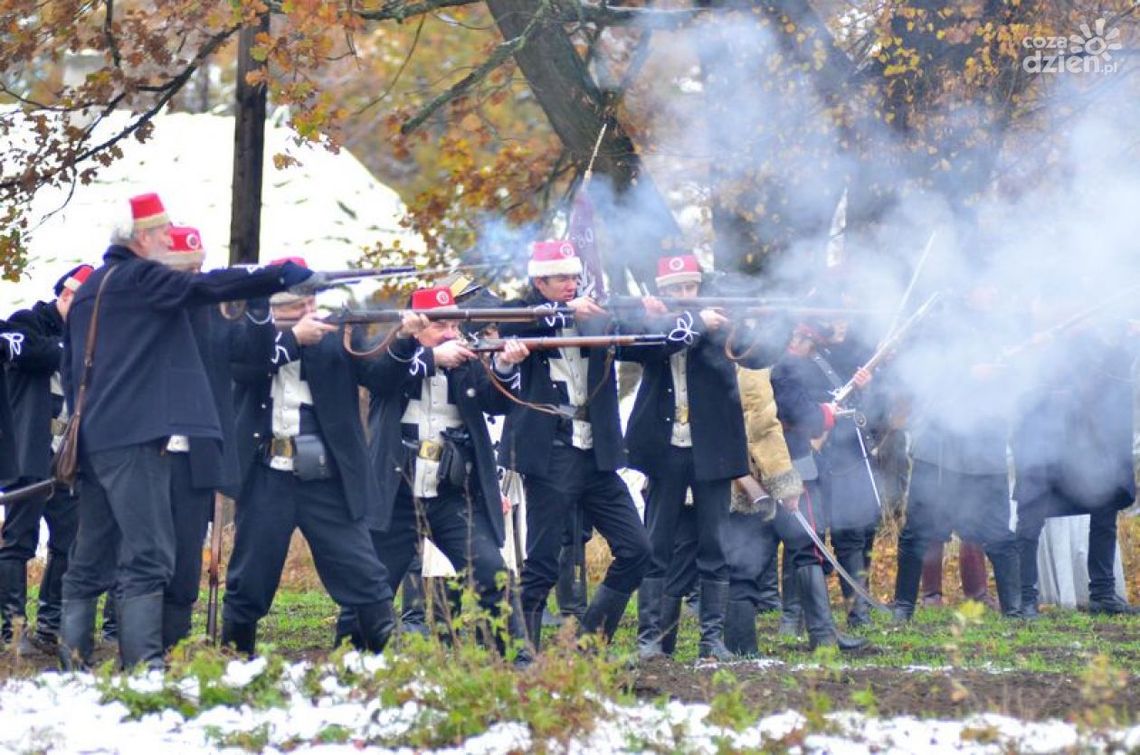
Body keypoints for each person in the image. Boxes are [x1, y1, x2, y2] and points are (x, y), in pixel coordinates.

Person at [58, 193, 317, 671]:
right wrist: (276, 276)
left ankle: (73, 665)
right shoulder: (142, 278)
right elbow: (207, 286)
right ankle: (145, 668)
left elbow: (73, 368)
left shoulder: (93, 287)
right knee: (150, 556)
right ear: (140, 238)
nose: (166, 239)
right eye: (161, 233)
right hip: (136, 439)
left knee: (90, 557)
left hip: (96, 438)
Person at [221, 258, 399, 656]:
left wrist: (404, 339)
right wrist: (292, 340)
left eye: (310, 303)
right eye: (295, 306)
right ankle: (235, 662)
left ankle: (386, 664)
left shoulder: (338, 333)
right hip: (267, 473)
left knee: (364, 573)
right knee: (249, 579)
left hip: (327, 477)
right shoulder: (250, 335)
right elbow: (246, 369)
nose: (308, 311)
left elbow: (382, 376)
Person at [340, 286, 530, 657]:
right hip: (395, 495)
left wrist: (506, 366)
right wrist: (429, 358)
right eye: (439, 325)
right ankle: (350, 662)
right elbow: (381, 377)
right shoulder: (392, 353)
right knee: (369, 587)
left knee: (492, 575)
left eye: (453, 325)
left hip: (451, 495)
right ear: (415, 326)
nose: (450, 332)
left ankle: (516, 660)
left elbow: (496, 402)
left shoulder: (467, 362)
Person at [624, 253, 779, 661]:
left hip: (712, 449)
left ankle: (711, 640)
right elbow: (644, 347)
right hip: (664, 449)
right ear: (662, 291)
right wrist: (695, 321)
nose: (685, 294)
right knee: (657, 545)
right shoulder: (653, 322)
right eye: (676, 288)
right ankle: (650, 639)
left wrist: (755, 323)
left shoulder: (719, 323)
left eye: (690, 287)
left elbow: (759, 356)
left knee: (714, 547)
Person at [498, 240, 651, 651]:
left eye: (573, 276)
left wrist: (651, 309)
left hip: (596, 453)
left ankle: (589, 644)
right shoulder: (522, 313)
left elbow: (637, 333)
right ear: (540, 282)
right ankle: (521, 655)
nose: (571, 283)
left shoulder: (594, 312)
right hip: (552, 453)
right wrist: (566, 311)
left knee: (637, 549)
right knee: (542, 564)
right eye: (561, 277)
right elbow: (510, 325)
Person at [891, 288, 1023, 621]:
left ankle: (1016, 609)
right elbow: (921, 376)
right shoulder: (937, 328)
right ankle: (903, 606)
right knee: (917, 532)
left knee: (998, 534)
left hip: (985, 448)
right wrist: (968, 373)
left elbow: (1019, 383)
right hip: (939, 450)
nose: (991, 294)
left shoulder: (1004, 329)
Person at [149, 226, 246, 649]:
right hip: (145, 452)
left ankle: (174, 648)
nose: (192, 276)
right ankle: (135, 648)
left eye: (197, 267)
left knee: (186, 559)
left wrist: (256, 302)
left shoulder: (216, 313)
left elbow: (251, 355)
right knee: (141, 558)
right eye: (183, 268)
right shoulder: (140, 310)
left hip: (193, 455)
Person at [1012, 314, 1137, 617]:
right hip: (1043, 442)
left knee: (1104, 507)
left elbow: (1114, 376)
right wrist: (1040, 347)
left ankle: (1103, 594)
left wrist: (1129, 338)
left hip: (1084, 447)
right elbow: (1017, 383)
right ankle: (1024, 597)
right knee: (1030, 518)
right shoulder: (1035, 335)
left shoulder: (1093, 345)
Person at [0, 264, 91, 652]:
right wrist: (72, 350)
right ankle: (13, 630)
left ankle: (50, 626)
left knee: (69, 539)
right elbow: (29, 352)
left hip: (67, 455)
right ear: (66, 297)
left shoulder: (90, 336)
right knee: (19, 539)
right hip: (30, 450)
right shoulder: (28, 322)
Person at [769, 320, 869, 651]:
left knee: (804, 544)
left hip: (796, 460)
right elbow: (804, 415)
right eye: (809, 343)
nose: (811, 350)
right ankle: (816, 631)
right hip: (792, 459)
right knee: (805, 545)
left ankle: (814, 629)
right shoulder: (784, 367)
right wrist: (825, 413)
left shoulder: (796, 365)